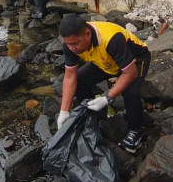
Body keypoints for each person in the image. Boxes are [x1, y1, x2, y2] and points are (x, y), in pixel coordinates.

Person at [57, 14, 151, 153]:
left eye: (75, 44)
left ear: (88, 34)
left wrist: (107, 98)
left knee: (130, 91)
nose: (72, 48)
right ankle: (95, 114)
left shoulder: (111, 39)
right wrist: (64, 111)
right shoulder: (70, 44)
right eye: (68, 44)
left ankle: (135, 130)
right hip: (105, 62)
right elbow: (70, 77)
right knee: (79, 82)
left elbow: (130, 73)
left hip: (135, 60)